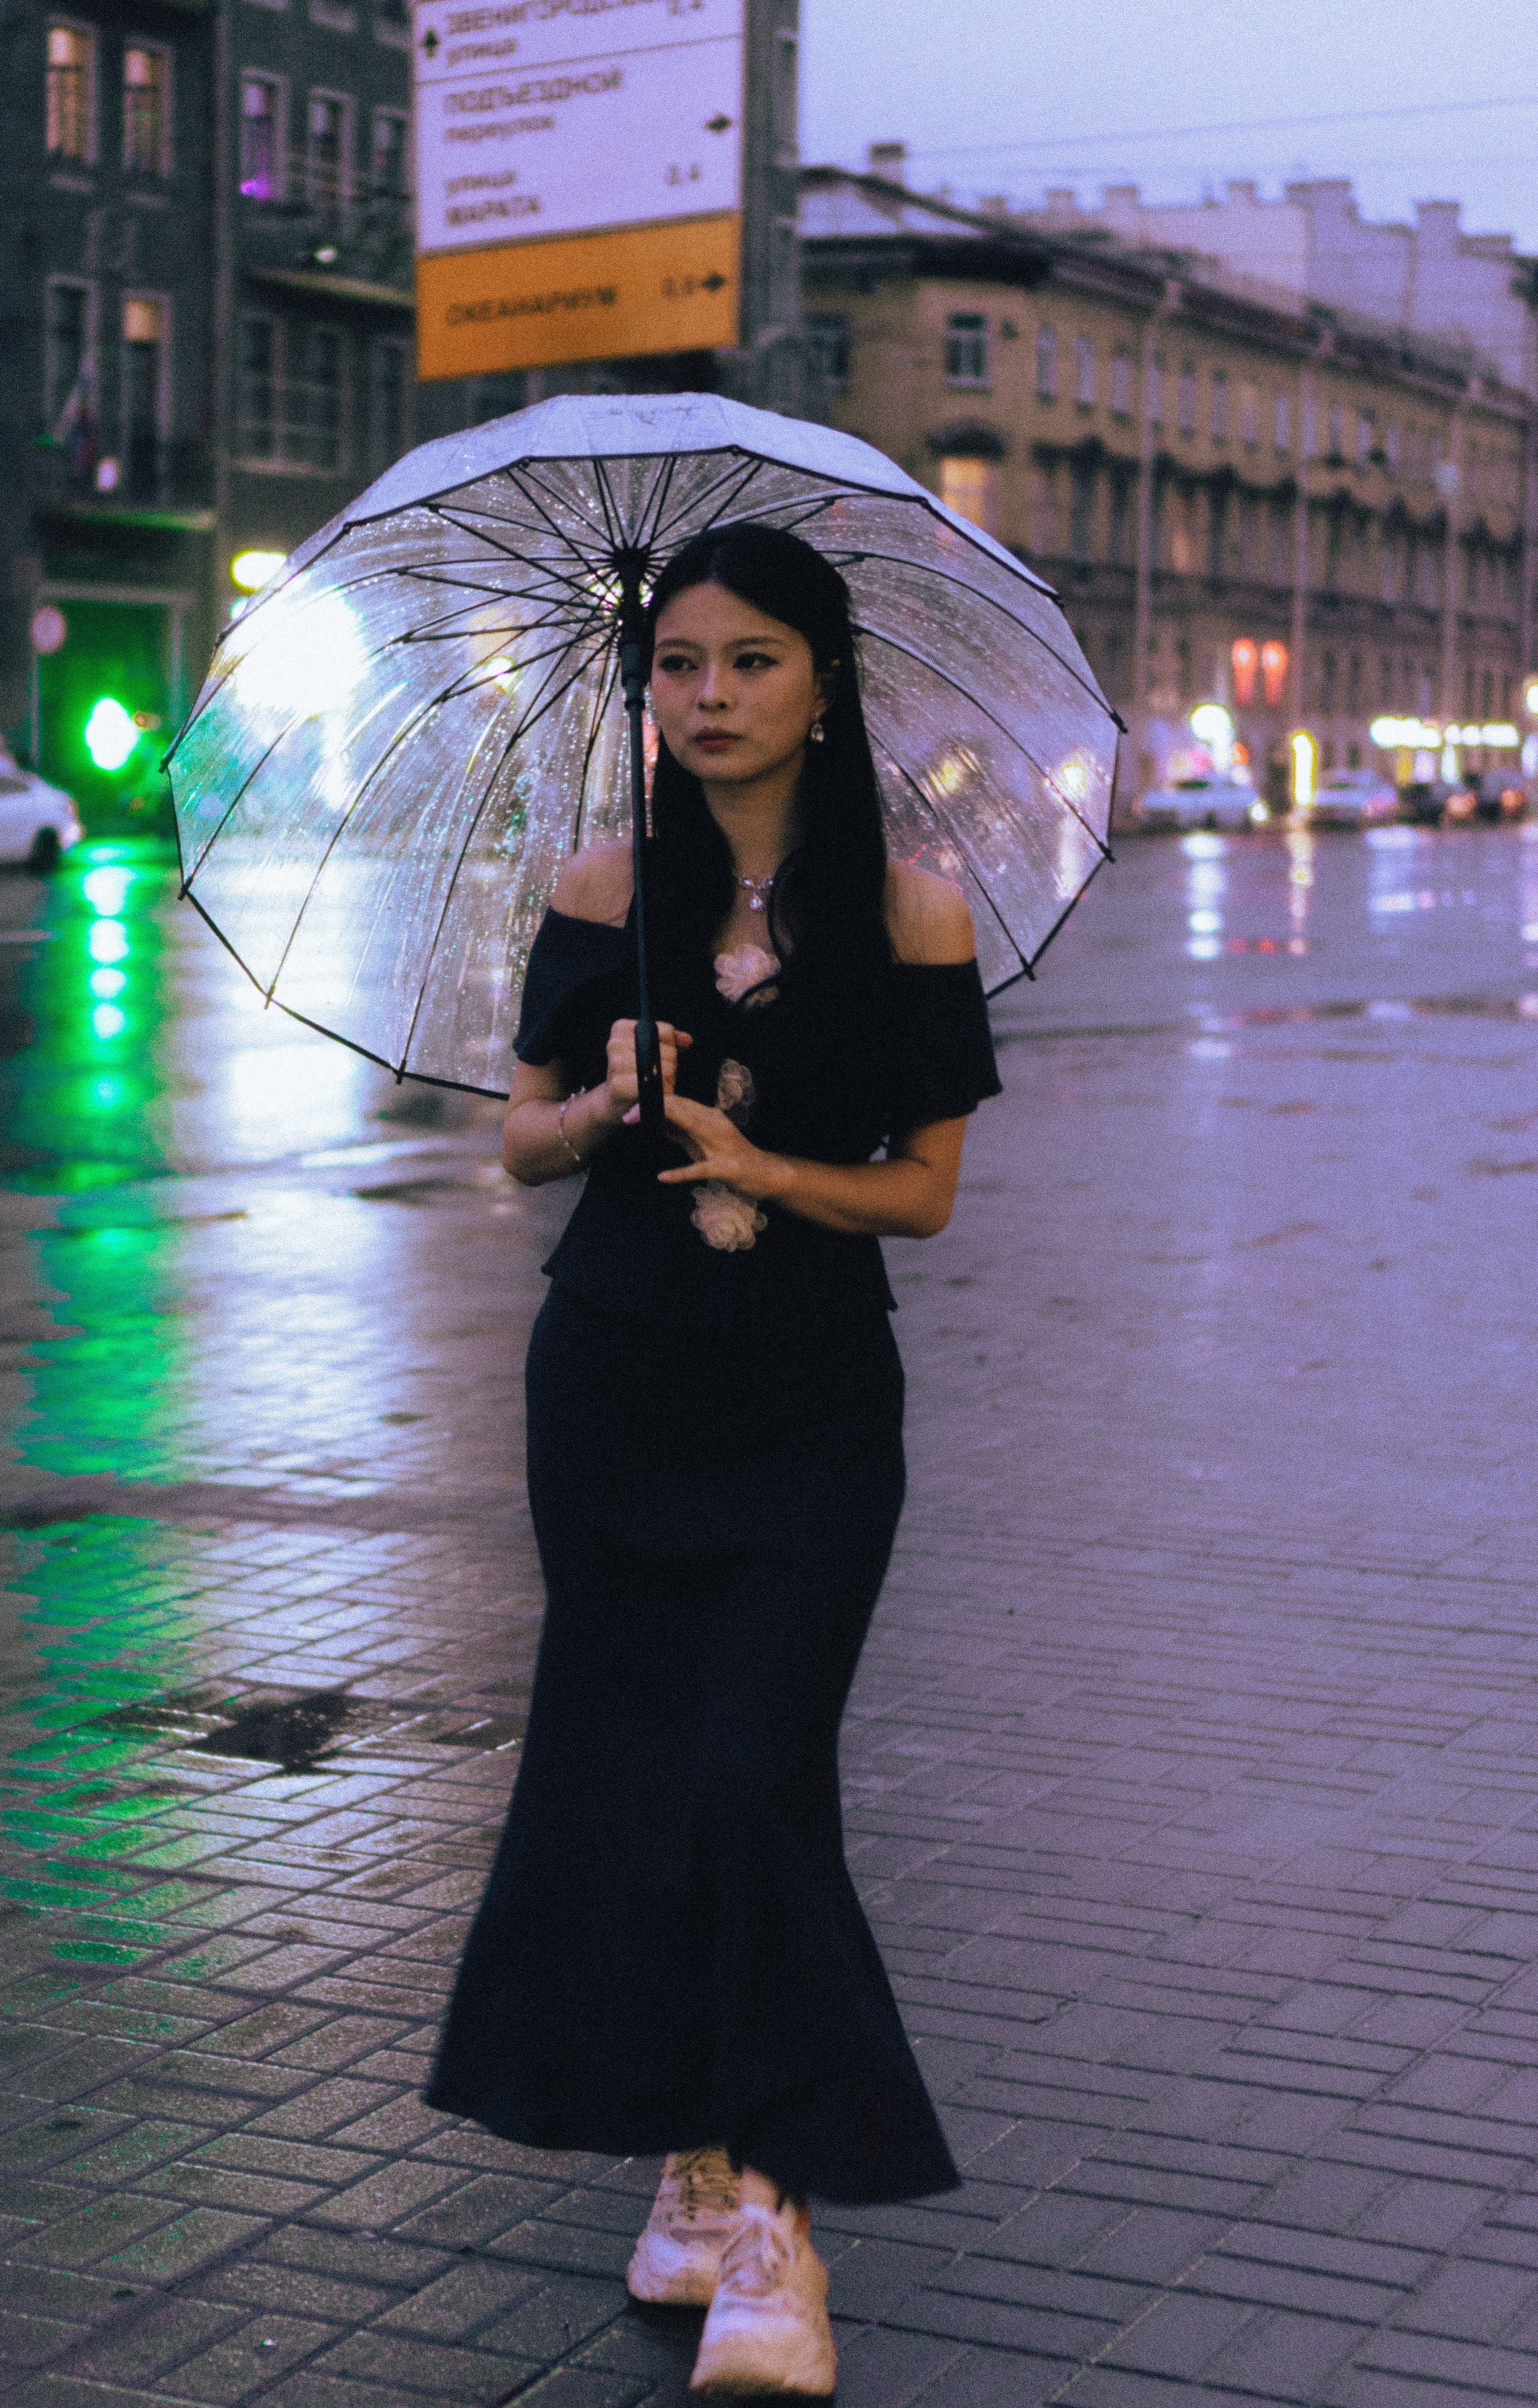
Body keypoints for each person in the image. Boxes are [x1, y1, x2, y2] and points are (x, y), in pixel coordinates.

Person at [426, 523, 1001, 2394]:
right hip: (614, 1386)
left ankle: (778, 2226)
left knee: (755, 1777)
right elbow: (518, 1144)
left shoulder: (911, 912)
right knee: (635, 1783)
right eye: (679, 663)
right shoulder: (604, 888)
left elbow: (922, 1193)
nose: (712, 694)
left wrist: (763, 1165)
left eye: (753, 659)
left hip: (811, 1407)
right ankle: (697, 2176)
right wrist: (607, 1099)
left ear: (824, 684)